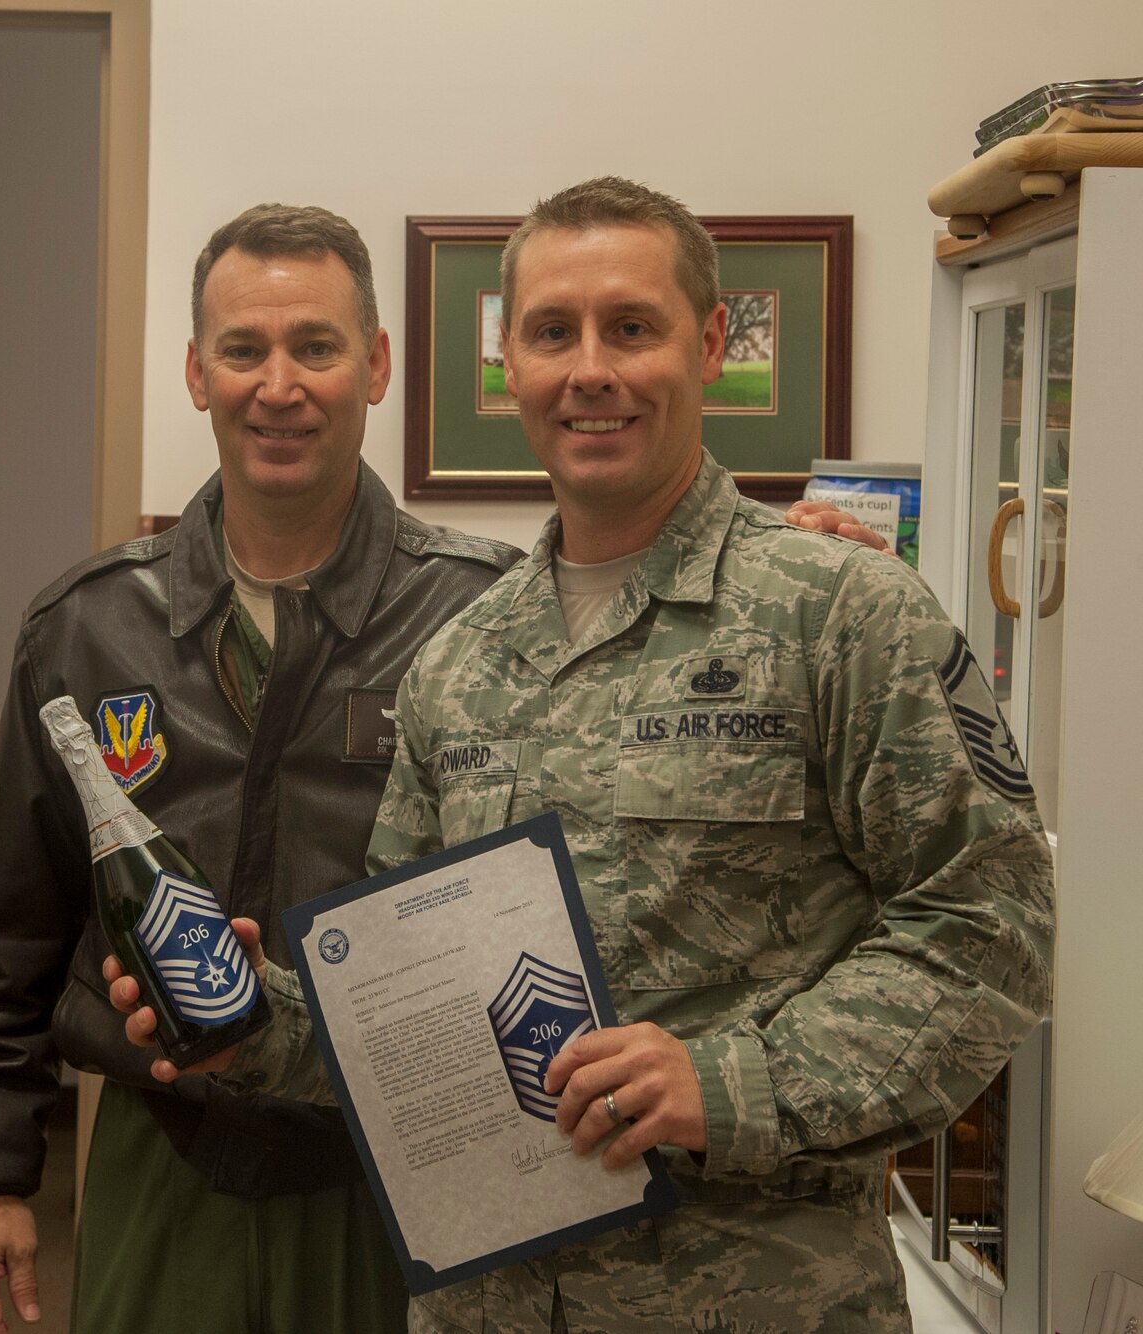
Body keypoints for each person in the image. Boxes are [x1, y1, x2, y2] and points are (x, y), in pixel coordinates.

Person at [0, 199, 893, 1333]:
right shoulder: (88, 624)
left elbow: (644, 685)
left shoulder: (474, 612)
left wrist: (780, 572)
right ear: (196, 371)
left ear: (375, 364)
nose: (277, 384)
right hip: (166, 1143)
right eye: (243, 348)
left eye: (315, 347)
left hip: (414, 1152)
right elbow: (6, 931)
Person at [110, 177, 1053, 1333]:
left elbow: (990, 926)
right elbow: (413, 1008)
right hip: (485, 1306)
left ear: (706, 343)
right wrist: (249, 1020)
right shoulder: (457, 661)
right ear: (507, 361)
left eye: (631, 326)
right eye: (551, 332)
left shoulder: (840, 613)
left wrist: (726, 1080)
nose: (588, 368)